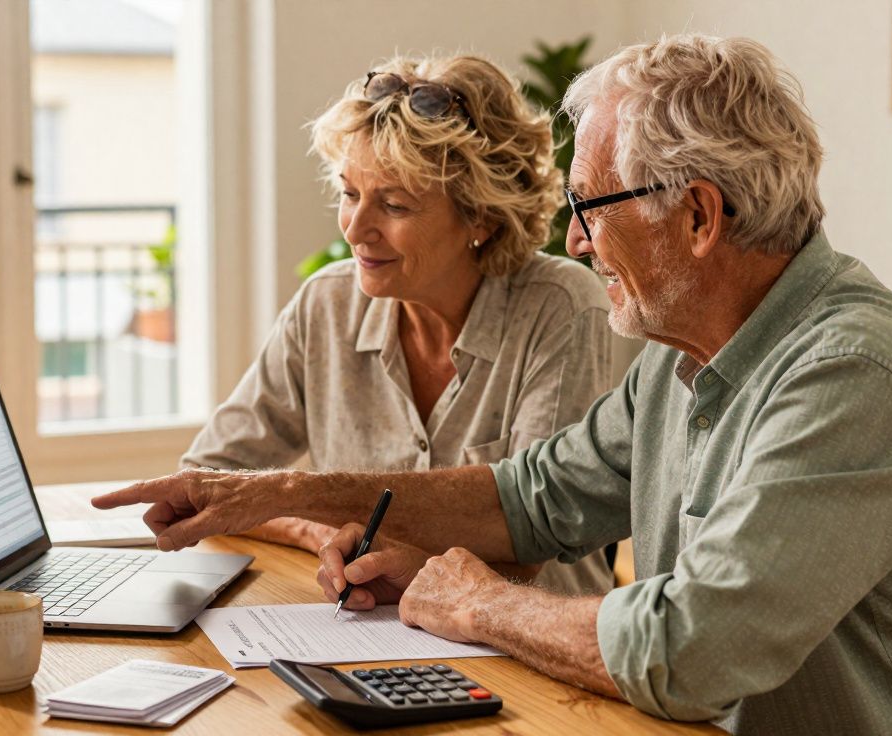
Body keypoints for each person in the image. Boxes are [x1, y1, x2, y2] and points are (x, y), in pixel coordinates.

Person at [93, 34, 892, 733]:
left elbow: (690, 651)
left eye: (589, 207)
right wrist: (281, 491)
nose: (574, 238)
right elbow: (527, 498)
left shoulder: (847, 373)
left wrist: (478, 603)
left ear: (698, 215)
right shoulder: (685, 352)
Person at [179, 54, 615, 594]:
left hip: (525, 643)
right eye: (350, 194)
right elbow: (213, 477)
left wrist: (336, 525)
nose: (356, 230)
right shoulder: (327, 303)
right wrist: (323, 532)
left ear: (480, 214)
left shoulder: (560, 305)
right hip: (369, 627)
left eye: (395, 205)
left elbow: (526, 543)